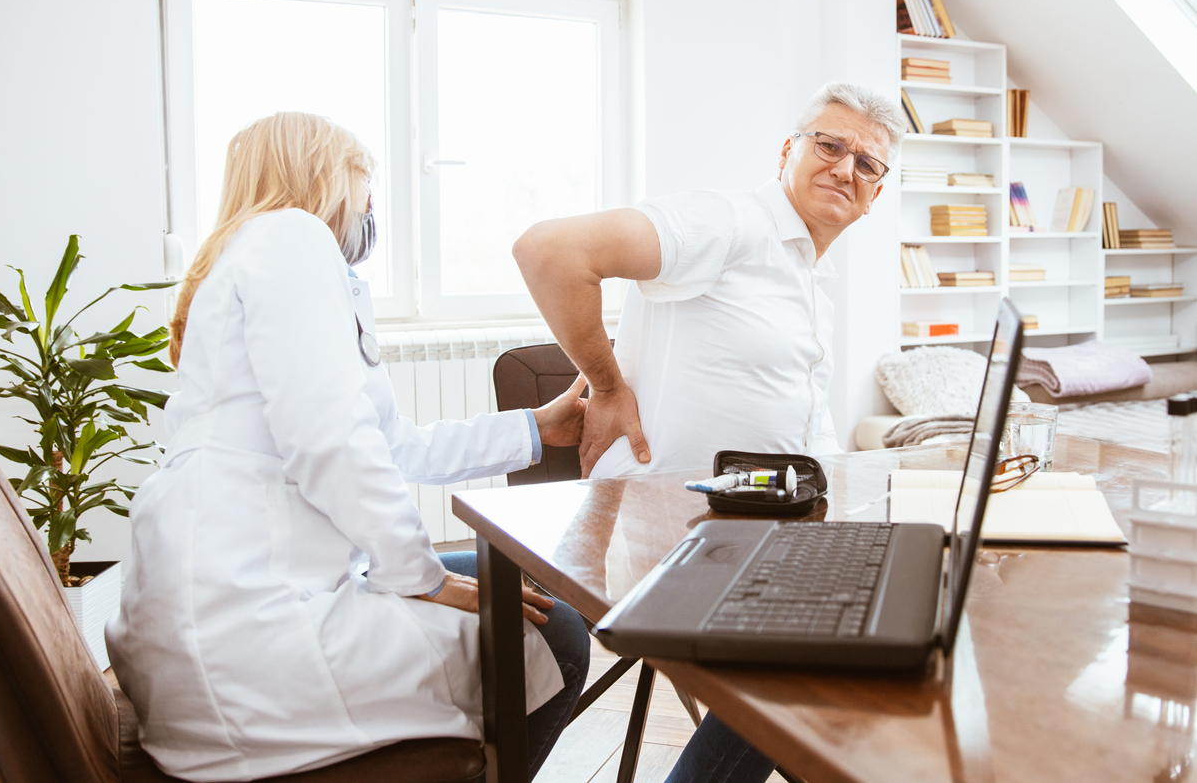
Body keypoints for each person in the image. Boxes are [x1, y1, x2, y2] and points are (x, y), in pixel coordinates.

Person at [107, 112, 590, 782]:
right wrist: (417, 577)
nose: (370, 209)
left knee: (514, 594)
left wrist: (536, 429)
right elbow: (331, 440)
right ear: (325, 176)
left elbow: (393, 448)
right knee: (552, 634)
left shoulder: (253, 262)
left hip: (226, 624)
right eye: (366, 186)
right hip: (255, 648)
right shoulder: (290, 237)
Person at [513, 82, 907, 782]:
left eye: (868, 164)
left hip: (759, 529)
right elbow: (550, 252)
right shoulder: (727, 224)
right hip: (677, 533)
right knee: (813, 665)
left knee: (902, 613)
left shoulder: (811, 279)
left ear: (876, 195)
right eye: (830, 144)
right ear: (788, 150)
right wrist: (608, 384)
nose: (846, 169)